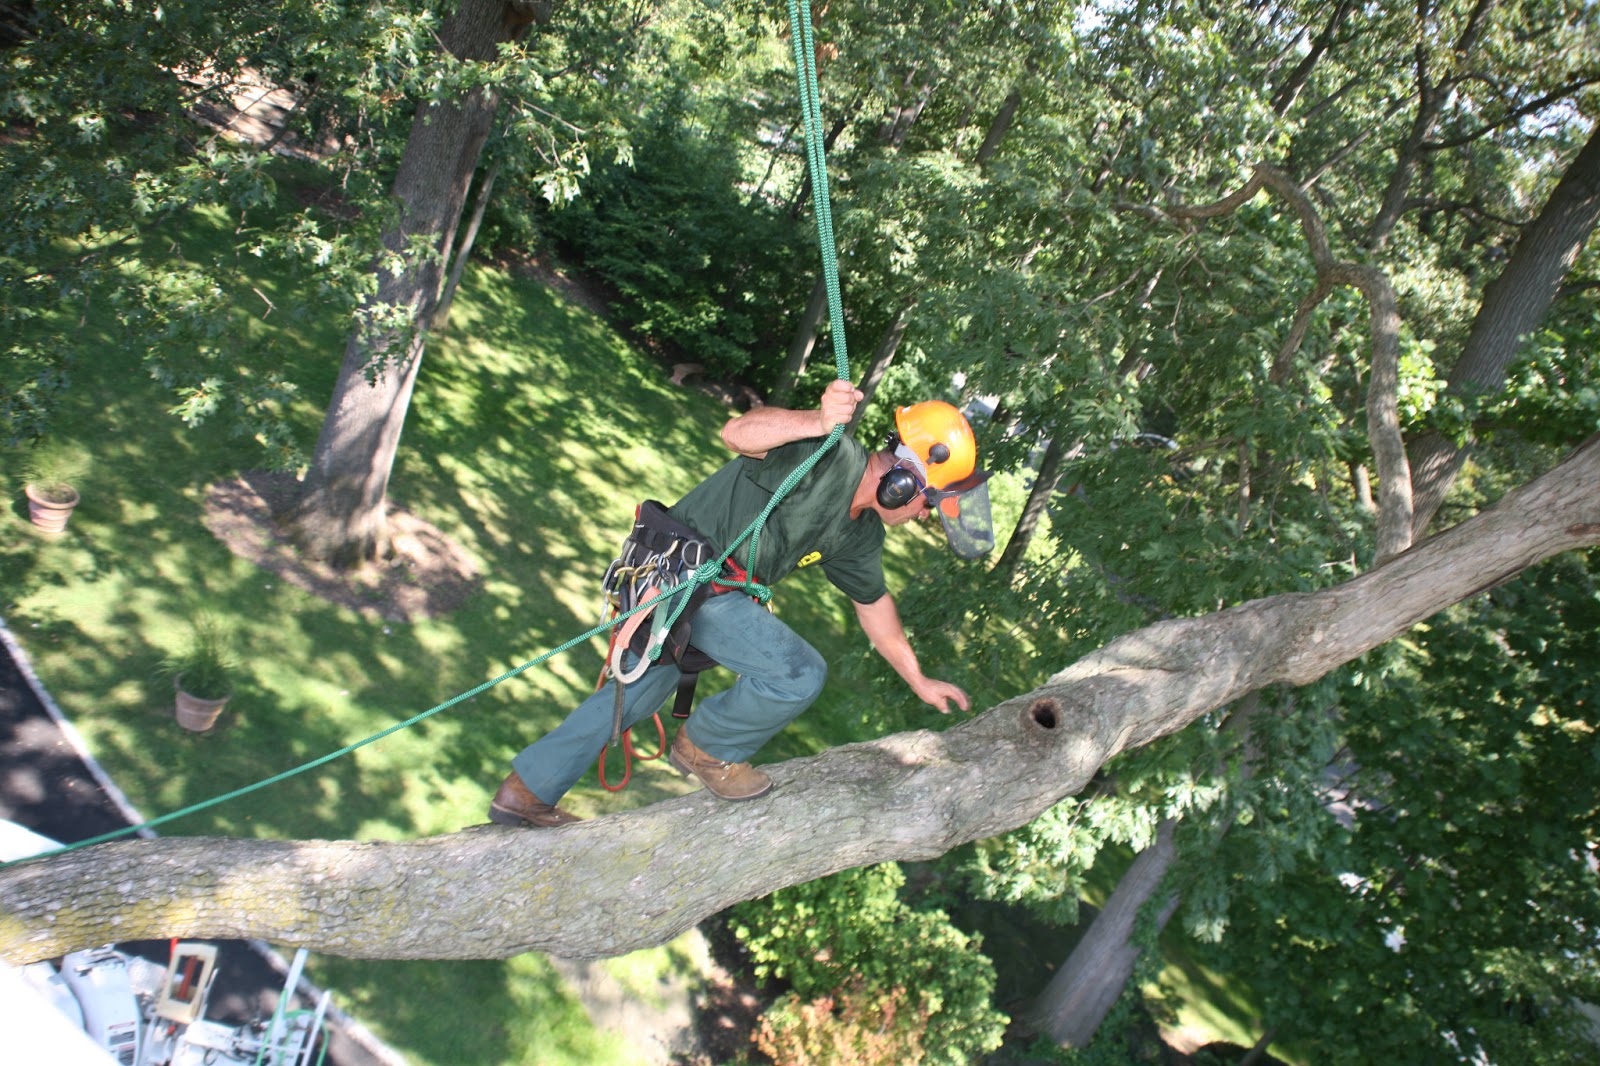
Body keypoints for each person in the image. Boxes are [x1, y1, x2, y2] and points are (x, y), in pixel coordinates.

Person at [488, 379, 996, 827]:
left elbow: (876, 609)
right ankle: (706, 750)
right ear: (904, 481)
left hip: (702, 595)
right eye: (928, 502)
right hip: (684, 576)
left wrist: (918, 679)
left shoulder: (859, 533)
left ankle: (524, 792)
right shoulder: (829, 456)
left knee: (637, 696)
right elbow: (738, 433)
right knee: (797, 673)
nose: (925, 516)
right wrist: (817, 421)